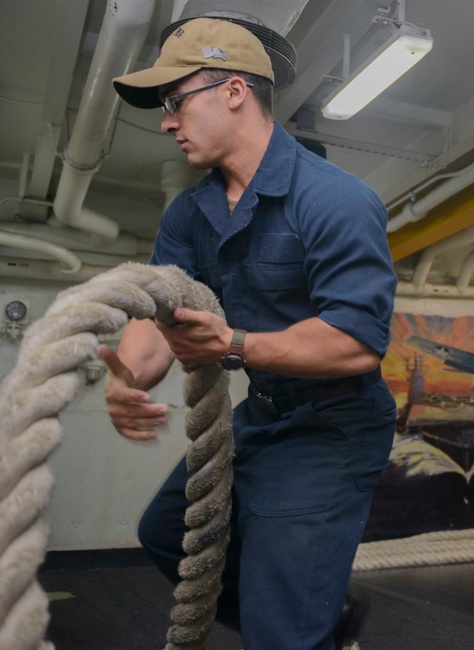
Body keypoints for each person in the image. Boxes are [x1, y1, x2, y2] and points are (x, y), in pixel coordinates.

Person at [100, 17, 398, 650]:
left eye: (174, 101)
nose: (166, 122)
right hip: (263, 414)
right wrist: (124, 379)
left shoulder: (336, 200)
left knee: (280, 625)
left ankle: (295, 623)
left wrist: (234, 344)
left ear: (233, 91)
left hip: (332, 426)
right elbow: (163, 314)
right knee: (166, 534)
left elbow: (355, 341)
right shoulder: (190, 212)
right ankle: (311, 616)